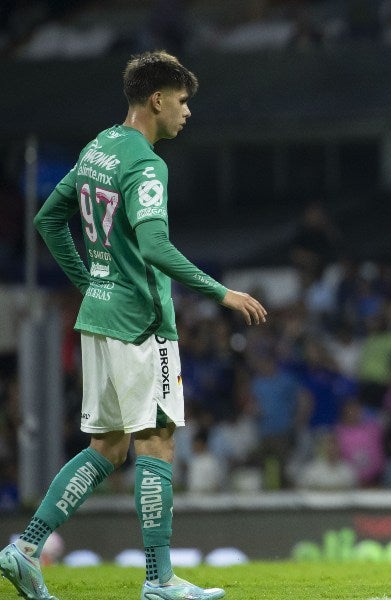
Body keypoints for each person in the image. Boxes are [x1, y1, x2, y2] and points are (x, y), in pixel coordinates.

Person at [0, 51, 267, 600]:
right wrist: (221, 291)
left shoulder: (99, 146)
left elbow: (49, 219)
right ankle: (158, 578)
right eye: (184, 101)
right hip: (142, 323)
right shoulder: (147, 164)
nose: (187, 113)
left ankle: (25, 549)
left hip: (99, 317)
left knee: (109, 446)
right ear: (157, 100)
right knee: (157, 442)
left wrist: (88, 280)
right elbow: (153, 245)